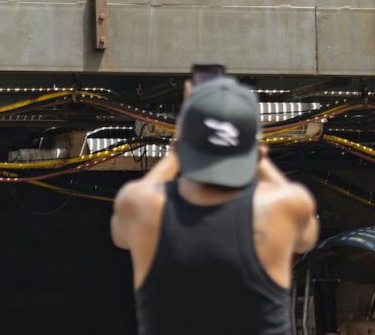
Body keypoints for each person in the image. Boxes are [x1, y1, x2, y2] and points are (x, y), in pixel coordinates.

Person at [111, 75, 319, 335]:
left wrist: (177, 152)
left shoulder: (144, 206)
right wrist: (257, 157)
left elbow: (122, 232)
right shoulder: (284, 207)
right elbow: (306, 235)